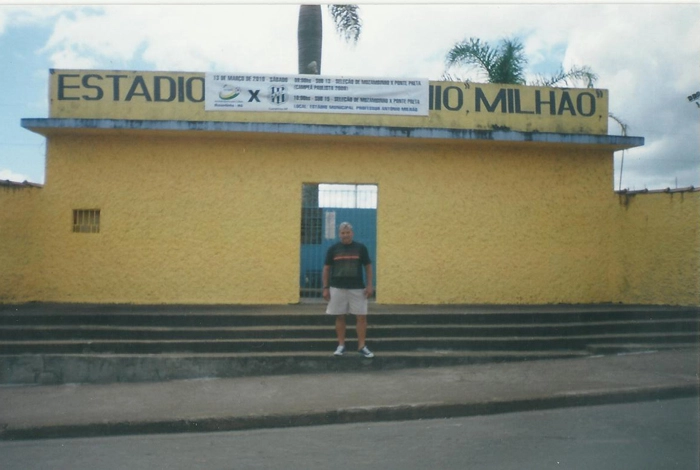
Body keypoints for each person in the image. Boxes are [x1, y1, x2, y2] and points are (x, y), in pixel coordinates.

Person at [322, 222, 375, 358]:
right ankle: (341, 346)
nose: (345, 235)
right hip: (337, 288)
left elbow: (368, 267)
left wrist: (369, 285)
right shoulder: (333, 249)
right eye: (343, 233)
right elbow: (327, 268)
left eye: (348, 232)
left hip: (357, 288)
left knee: (361, 317)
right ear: (339, 234)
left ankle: (362, 346)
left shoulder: (360, 248)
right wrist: (325, 288)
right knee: (340, 316)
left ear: (352, 233)